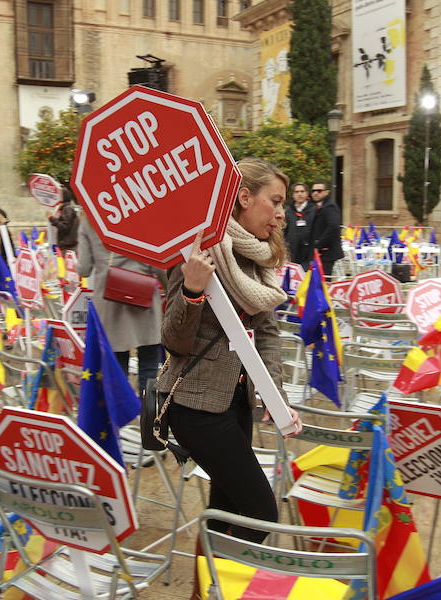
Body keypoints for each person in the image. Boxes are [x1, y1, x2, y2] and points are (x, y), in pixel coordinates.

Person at [160, 158, 302, 572]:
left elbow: (269, 335)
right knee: (260, 512)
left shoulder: (258, 259)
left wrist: (275, 399)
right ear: (243, 197)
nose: (281, 212)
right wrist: (192, 290)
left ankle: (205, 588)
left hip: (237, 403)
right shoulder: (196, 250)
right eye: (274, 201)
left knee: (225, 513)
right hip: (195, 407)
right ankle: (221, 581)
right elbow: (173, 340)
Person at [76, 220, 167, 398]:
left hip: (109, 301)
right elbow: (159, 264)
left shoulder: (88, 221)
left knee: (117, 369)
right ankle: (147, 417)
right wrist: (170, 289)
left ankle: (120, 419)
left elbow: (84, 269)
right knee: (149, 366)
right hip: (145, 295)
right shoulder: (139, 212)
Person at [309, 181, 343, 277]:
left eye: (319, 191)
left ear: (326, 192)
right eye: (313, 191)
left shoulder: (329, 206)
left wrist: (319, 244)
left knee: (323, 283)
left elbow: (334, 227)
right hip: (322, 253)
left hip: (327, 253)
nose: (315, 193)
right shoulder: (318, 206)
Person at [283, 182, 314, 268]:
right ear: (293, 195)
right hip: (292, 252)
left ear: (307, 193)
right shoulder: (288, 211)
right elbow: (283, 230)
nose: (299, 194)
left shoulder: (314, 210)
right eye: (296, 192)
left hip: (308, 254)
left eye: (302, 191)